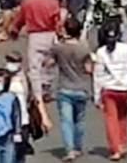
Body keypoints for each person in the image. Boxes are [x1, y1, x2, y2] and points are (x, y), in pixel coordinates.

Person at [91, 23, 127, 161]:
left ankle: (115, 148)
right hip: (123, 89)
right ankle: (122, 143)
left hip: (108, 89)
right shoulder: (125, 49)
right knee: (122, 118)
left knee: (110, 120)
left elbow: (98, 76)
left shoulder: (101, 52)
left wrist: (96, 97)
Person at [50, 18, 94, 160]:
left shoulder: (58, 48)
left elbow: (49, 63)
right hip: (81, 88)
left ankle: (69, 150)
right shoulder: (84, 47)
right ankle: (77, 147)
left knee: (66, 121)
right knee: (79, 120)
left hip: (64, 87)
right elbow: (89, 69)